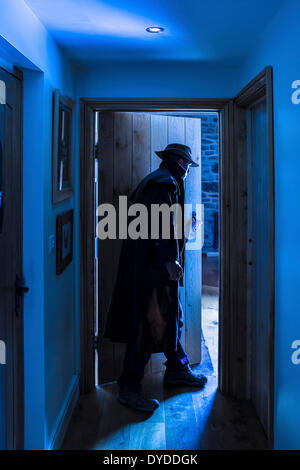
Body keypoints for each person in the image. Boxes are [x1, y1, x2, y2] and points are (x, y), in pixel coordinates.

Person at [105, 143, 207, 412]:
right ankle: (128, 387)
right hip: (152, 267)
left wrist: (186, 222)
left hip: (149, 265)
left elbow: (164, 219)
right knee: (149, 324)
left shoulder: (160, 180)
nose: (187, 172)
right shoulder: (164, 183)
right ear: (181, 163)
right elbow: (158, 225)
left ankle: (176, 367)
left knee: (169, 316)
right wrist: (168, 261)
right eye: (187, 166)